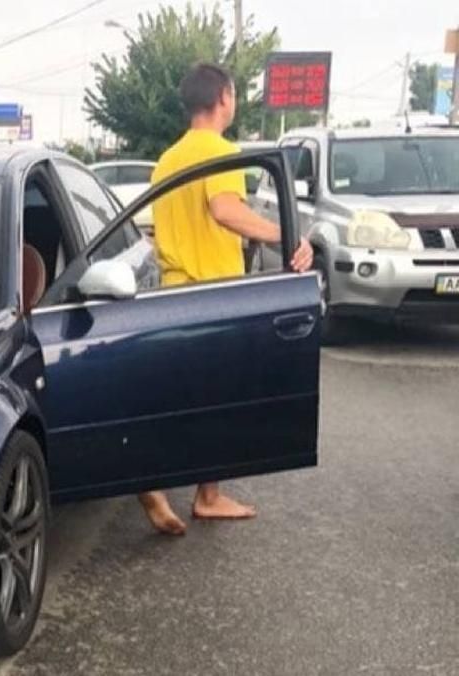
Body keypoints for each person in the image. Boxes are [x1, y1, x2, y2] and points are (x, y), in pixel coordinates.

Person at [139, 63, 314, 536]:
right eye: (235, 95)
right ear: (224, 98)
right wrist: (287, 234)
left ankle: (151, 478)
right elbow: (225, 210)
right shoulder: (221, 151)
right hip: (214, 296)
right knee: (218, 403)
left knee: (175, 397)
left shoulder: (167, 159)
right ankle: (208, 496)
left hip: (171, 291)